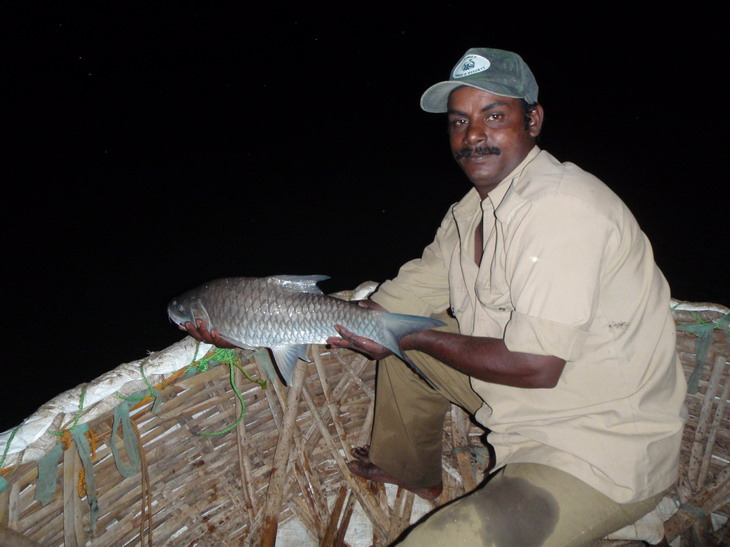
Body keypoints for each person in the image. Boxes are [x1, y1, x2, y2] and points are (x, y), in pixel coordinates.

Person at [182, 47, 687, 546]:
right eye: (458, 121)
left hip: (602, 442)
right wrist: (255, 326)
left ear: (532, 120)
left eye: (494, 116)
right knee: (400, 336)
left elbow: (536, 366)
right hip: (525, 406)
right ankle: (414, 472)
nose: (472, 136)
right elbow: (383, 311)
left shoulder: (563, 209)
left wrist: (415, 335)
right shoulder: (469, 214)